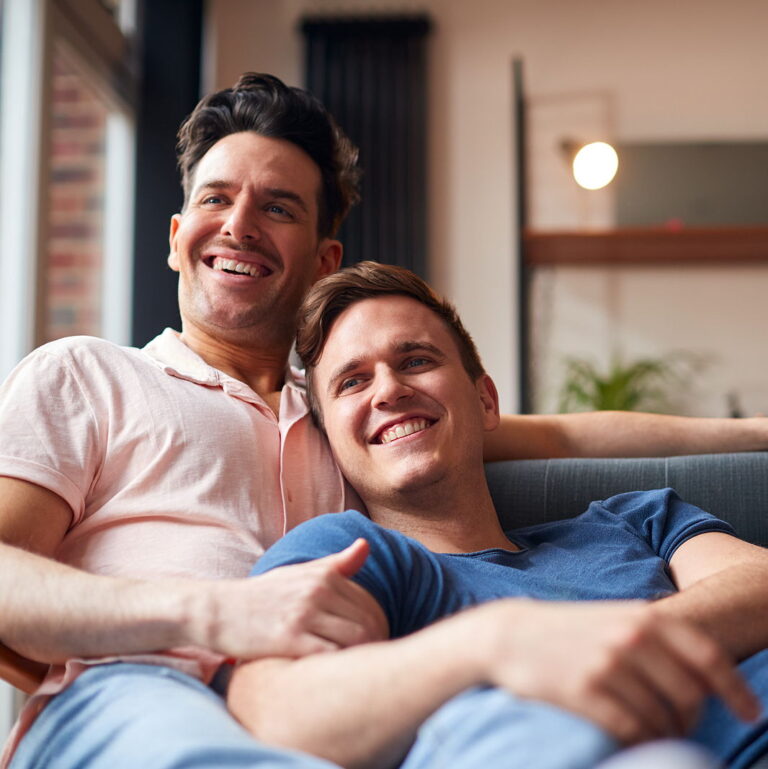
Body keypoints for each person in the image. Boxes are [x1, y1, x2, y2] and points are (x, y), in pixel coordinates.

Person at [1, 72, 768, 767]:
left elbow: (568, 435)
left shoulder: (348, 416)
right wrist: (215, 612)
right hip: (143, 690)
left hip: (339, 719)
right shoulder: (88, 374)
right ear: (175, 238)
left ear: (323, 258)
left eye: (278, 207)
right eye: (214, 197)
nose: (238, 225)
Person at [227, 261, 768, 769]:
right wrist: (491, 645)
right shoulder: (352, 551)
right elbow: (267, 707)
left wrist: (608, 642)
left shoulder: (635, 518)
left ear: (486, 402)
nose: (389, 390)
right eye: (353, 382)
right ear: (329, 443)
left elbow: (758, 581)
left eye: (415, 360)